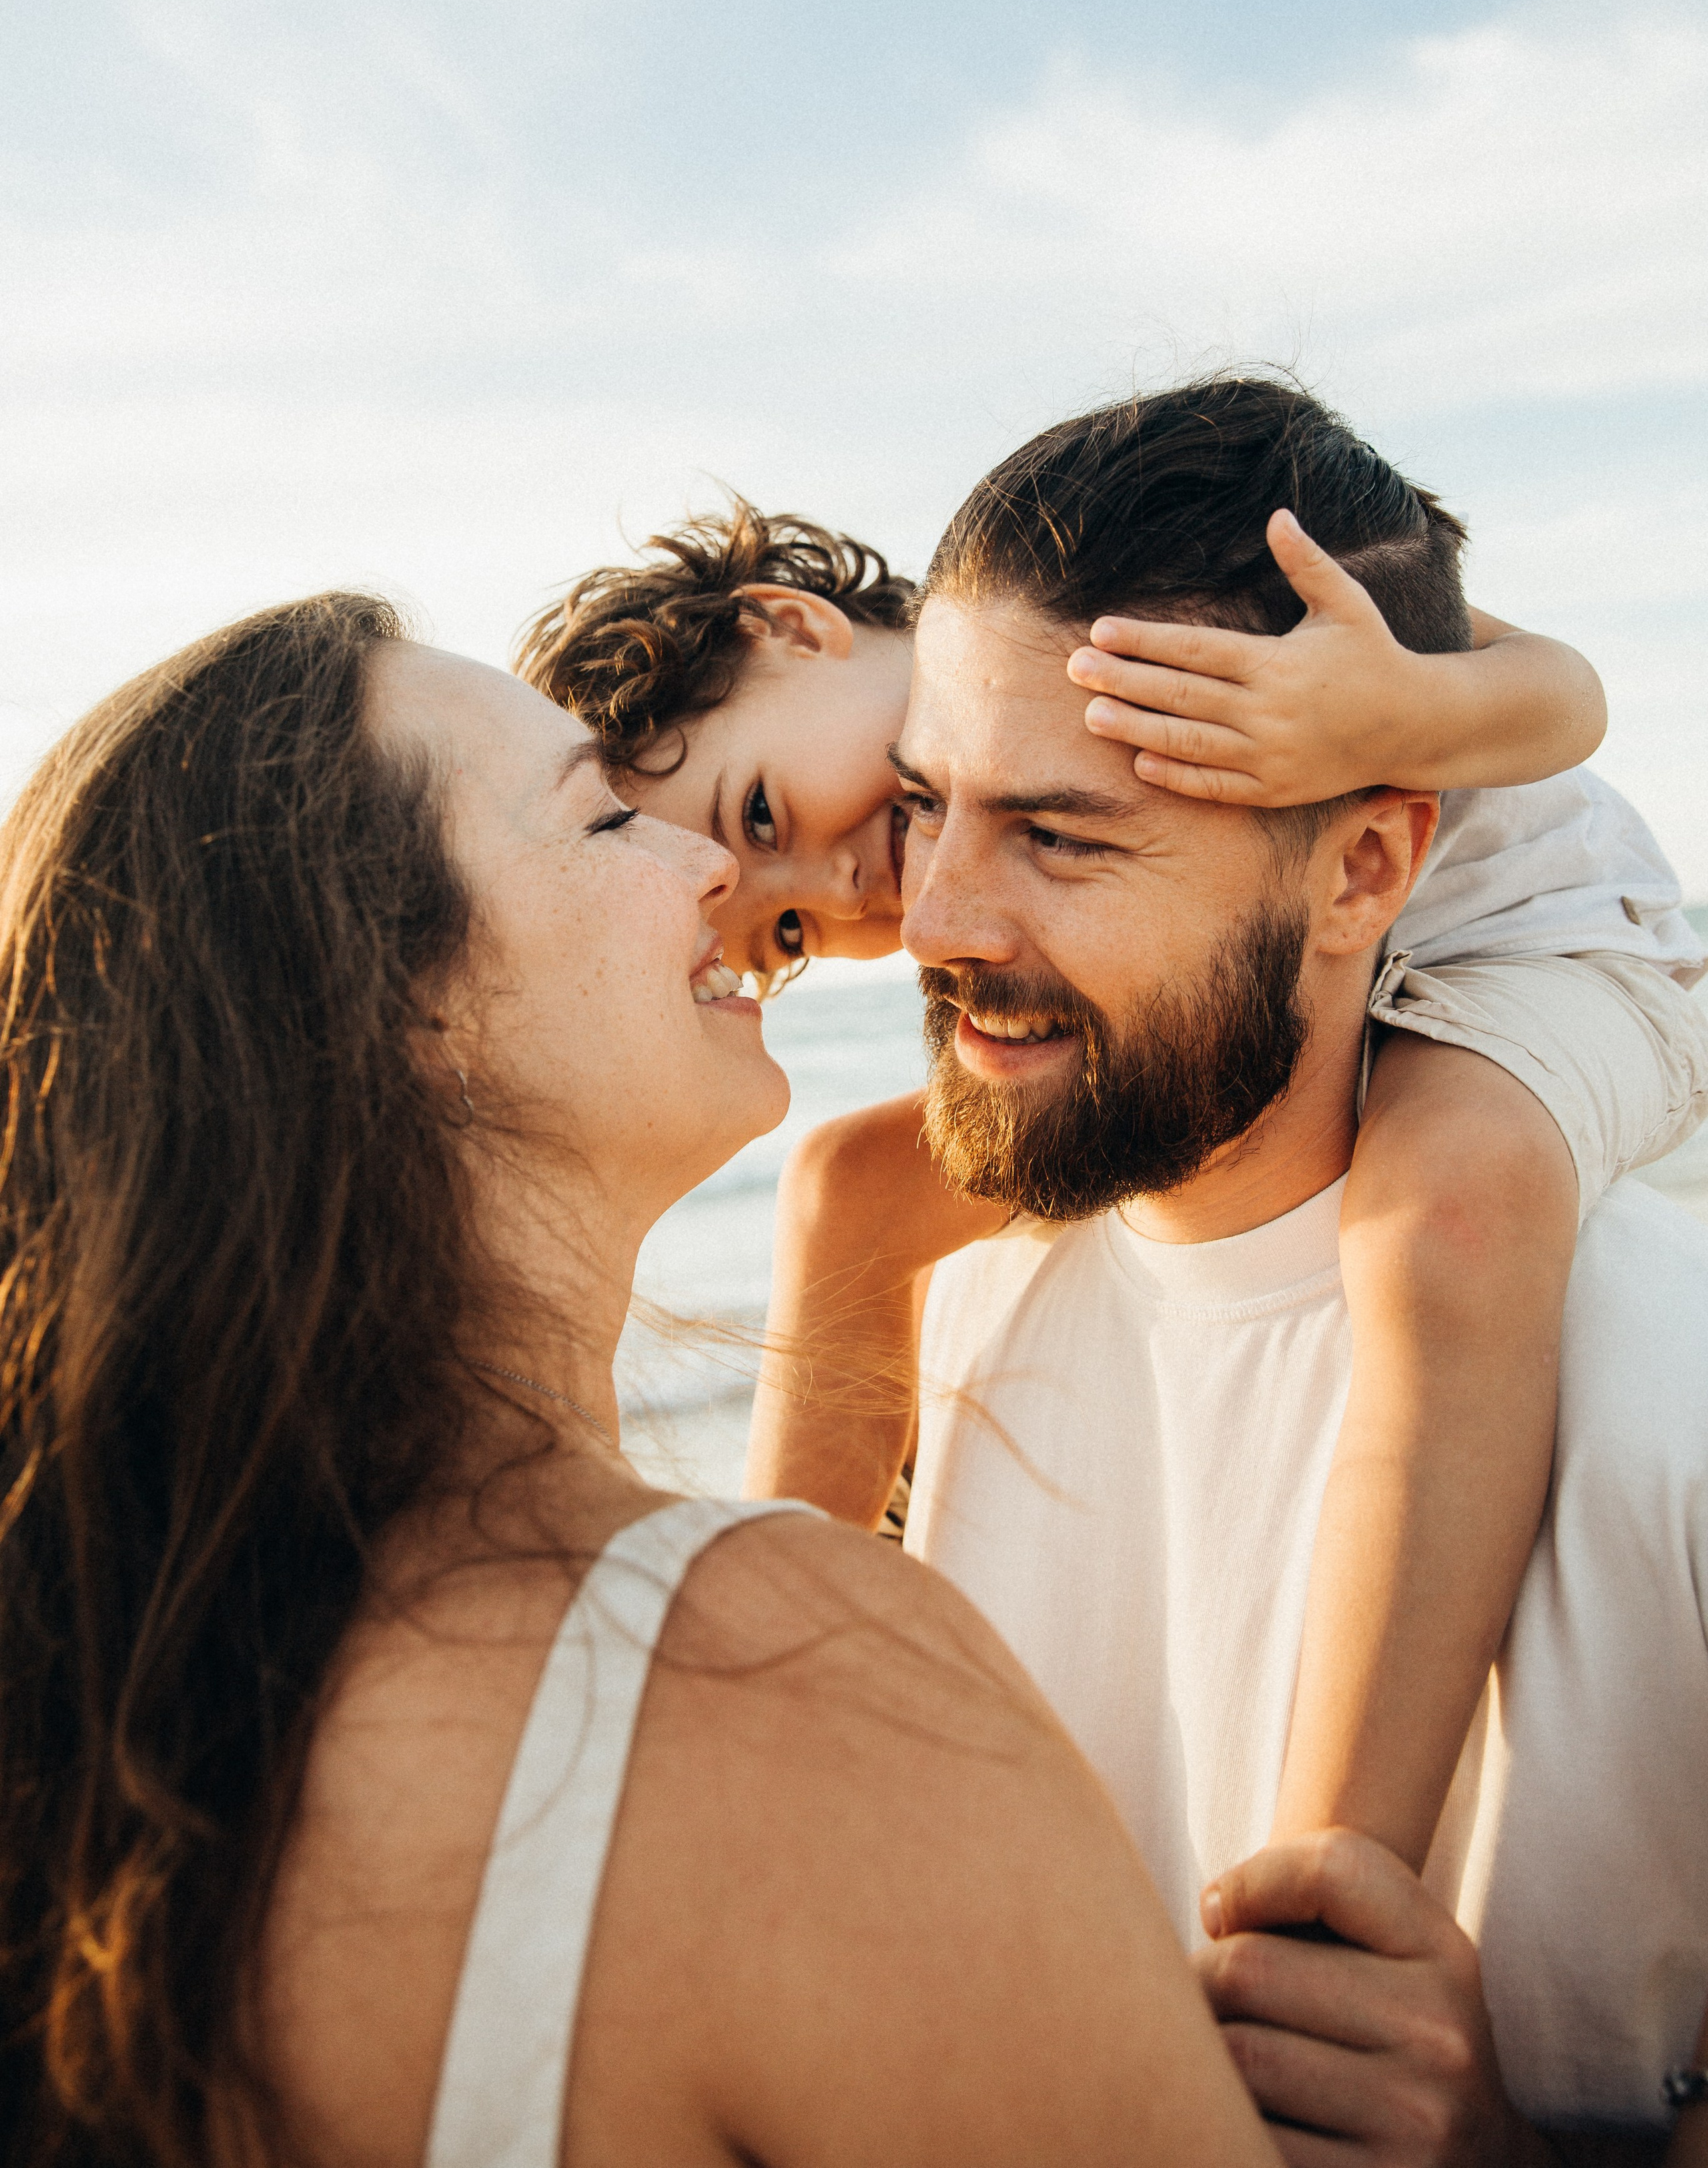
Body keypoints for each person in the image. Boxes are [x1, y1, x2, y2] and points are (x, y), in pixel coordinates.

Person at [0, 591, 1276, 2168]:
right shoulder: (772, 1684)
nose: (714, 872)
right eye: (605, 819)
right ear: (405, 1010)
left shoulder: (138, 1732)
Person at [518, 407, 1708, 1873]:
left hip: (1555, 948)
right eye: (780, 931)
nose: (857, 896)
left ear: (792, 627)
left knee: (1443, 1198)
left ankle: (1337, 1877)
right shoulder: (966, 815)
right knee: (845, 1182)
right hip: (1330, 956)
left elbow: (1559, 696)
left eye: (762, 810)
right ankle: (756, 1705)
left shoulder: (1203, 598)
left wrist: (1381, 710)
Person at [872, 394, 1708, 2153]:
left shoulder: (1669, 1412)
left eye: (1064, 835)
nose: (933, 919)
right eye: (924, 806)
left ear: (1369, 868)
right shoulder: (955, 1339)